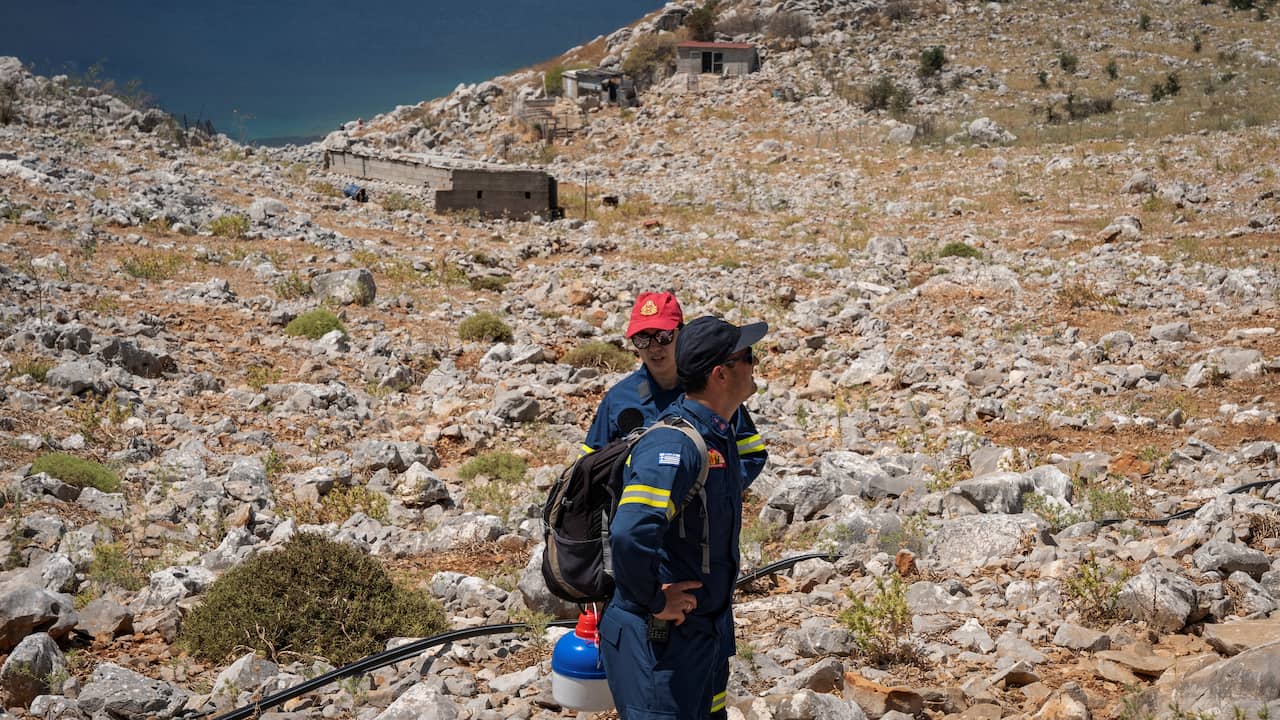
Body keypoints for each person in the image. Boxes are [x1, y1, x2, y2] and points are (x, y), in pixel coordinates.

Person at [599, 316, 767, 720]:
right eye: (749, 357)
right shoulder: (674, 444)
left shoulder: (720, 433)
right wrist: (655, 600)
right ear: (721, 374)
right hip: (659, 646)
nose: (755, 364)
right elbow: (629, 533)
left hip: (703, 638)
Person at [581, 292, 766, 487]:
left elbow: (752, 454)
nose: (654, 348)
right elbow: (588, 467)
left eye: (663, 336)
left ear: (682, 333)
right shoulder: (618, 399)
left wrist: (716, 488)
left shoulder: (712, 389)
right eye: (642, 339)